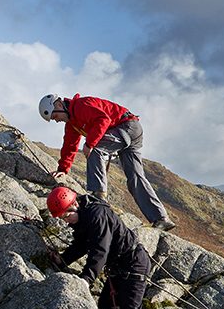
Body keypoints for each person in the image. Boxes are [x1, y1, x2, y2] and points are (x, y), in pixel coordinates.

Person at [47, 187, 167, 309]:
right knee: (105, 305)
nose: (66, 222)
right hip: (120, 266)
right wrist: (62, 260)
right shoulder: (83, 218)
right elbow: (81, 244)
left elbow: (99, 251)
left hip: (134, 263)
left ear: (74, 206)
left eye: (65, 216)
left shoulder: (97, 215)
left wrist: (86, 279)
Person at [38, 94, 175, 230]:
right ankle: (161, 218)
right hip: (131, 129)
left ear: (59, 105)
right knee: (135, 178)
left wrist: (90, 144)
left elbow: (103, 119)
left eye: (55, 116)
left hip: (127, 126)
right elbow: (70, 145)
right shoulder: (71, 124)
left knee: (95, 149)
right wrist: (63, 169)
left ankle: (98, 195)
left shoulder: (81, 106)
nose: (56, 121)